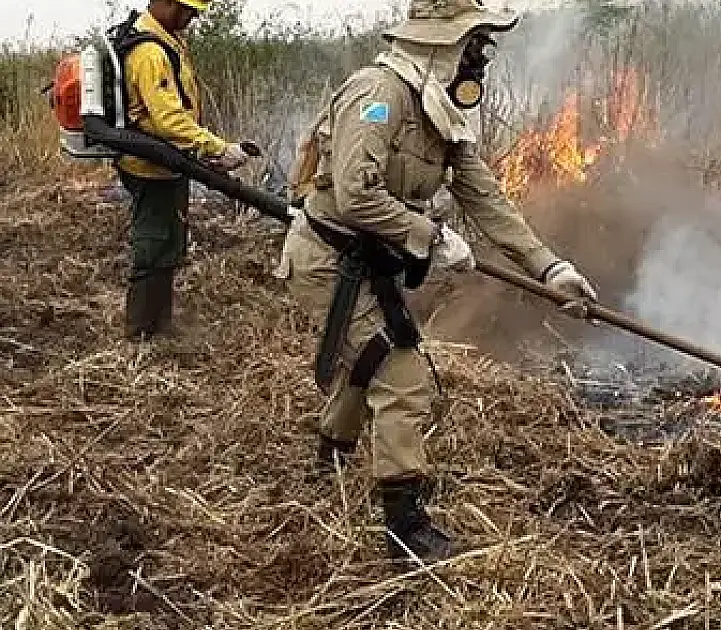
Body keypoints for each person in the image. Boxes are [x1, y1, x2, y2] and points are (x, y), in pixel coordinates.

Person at [274, 0, 597, 562]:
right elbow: (355, 196)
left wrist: (551, 268)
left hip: (372, 262)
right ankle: (406, 528)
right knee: (401, 376)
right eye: (475, 45)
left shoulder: (440, 110)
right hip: (329, 261)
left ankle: (327, 457)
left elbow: (487, 200)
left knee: (369, 357)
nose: (481, 58)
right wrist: (430, 235)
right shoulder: (379, 96)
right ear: (441, 44)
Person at [115, 0, 250, 339]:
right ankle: (141, 335)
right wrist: (218, 148)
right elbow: (169, 120)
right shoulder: (150, 52)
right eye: (186, 10)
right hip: (151, 166)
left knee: (169, 242)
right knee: (154, 245)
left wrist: (202, 155)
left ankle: (160, 325)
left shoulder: (166, 39)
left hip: (167, 163)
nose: (190, 18)